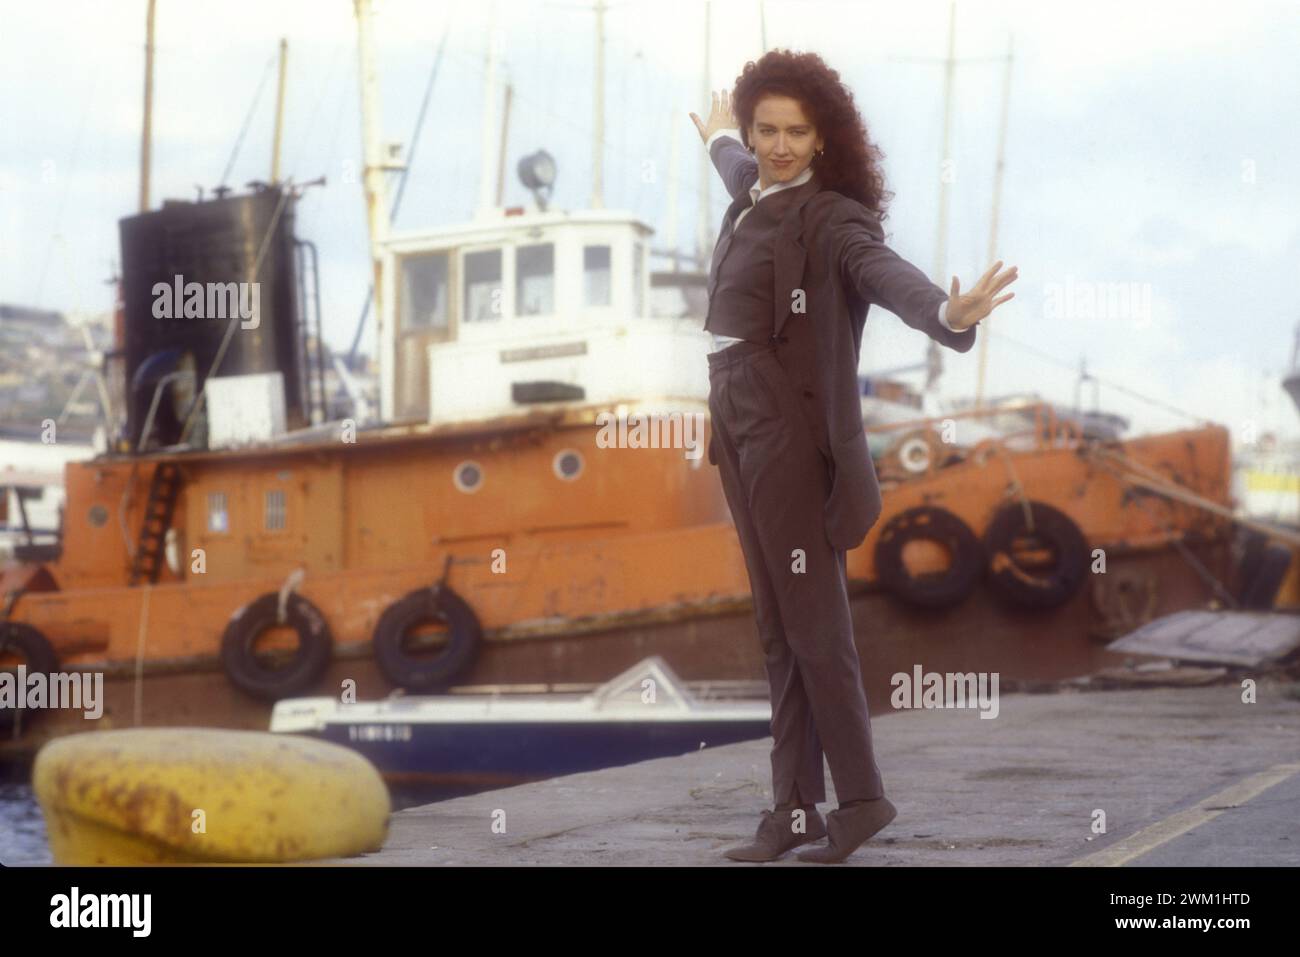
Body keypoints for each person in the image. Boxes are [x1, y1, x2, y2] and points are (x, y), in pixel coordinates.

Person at [688, 50, 1016, 864]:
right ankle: (794, 810)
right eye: (767, 129)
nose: (779, 146)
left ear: (824, 138)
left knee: (813, 624)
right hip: (730, 411)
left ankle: (862, 799)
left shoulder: (830, 219)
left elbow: (883, 272)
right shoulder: (752, 188)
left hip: (785, 428)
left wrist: (948, 311)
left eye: (797, 132)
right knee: (776, 628)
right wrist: (719, 136)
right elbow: (736, 162)